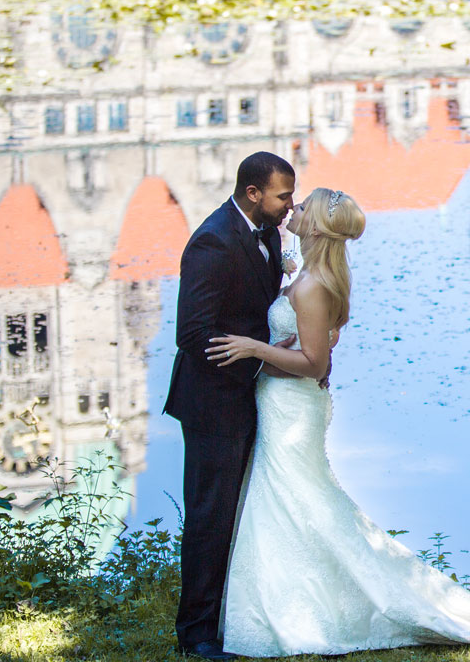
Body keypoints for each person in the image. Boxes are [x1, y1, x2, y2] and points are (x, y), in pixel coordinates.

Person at [201, 188, 470, 656]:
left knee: (297, 500)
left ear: (316, 227)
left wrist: (255, 350)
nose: (292, 210)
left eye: (301, 208)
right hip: (285, 403)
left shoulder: (314, 284)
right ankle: (290, 605)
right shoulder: (309, 275)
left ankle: (310, 610)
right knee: (293, 503)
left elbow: (315, 363)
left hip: (292, 406)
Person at [165, 151, 294, 660]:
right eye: (283, 195)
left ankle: (228, 617)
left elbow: (254, 312)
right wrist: (261, 363)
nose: (290, 204)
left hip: (246, 397)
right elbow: (193, 333)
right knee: (208, 518)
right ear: (253, 194)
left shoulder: (268, 233)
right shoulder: (213, 241)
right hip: (212, 403)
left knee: (237, 512)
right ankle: (195, 635)